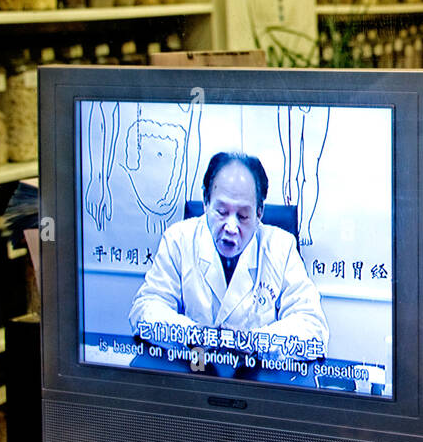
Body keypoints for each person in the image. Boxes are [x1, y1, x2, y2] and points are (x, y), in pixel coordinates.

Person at [129, 152, 328, 375]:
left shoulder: (281, 246)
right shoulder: (179, 239)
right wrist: (194, 336)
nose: (231, 227)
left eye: (243, 216)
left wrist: (256, 343)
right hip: (193, 379)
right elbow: (144, 310)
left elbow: (313, 328)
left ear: (259, 212)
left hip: (255, 389)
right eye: (222, 212)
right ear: (206, 202)